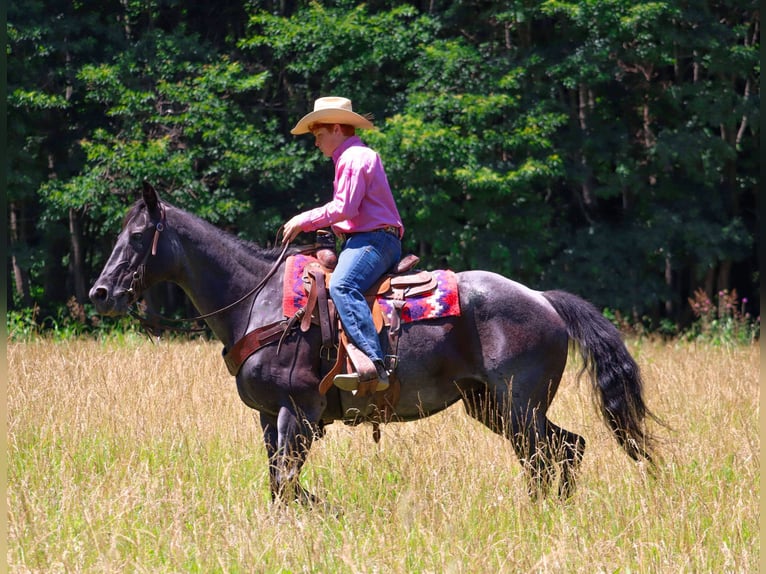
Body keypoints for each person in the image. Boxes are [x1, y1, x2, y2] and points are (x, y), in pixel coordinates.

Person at [282, 96, 404, 393]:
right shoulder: (351, 158)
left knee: (343, 286)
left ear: (337, 128)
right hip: (369, 238)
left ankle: (376, 364)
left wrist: (304, 220)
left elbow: (345, 208)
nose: (316, 143)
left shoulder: (353, 158)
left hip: (373, 239)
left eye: (319, 135)